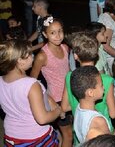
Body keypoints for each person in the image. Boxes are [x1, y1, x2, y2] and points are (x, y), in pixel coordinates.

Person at [0, 39, 62, 146]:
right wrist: (58, 110)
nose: (32, 57)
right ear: (20, 60)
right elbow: (42, 119)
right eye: (29, 54)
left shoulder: (1, 80)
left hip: (11, 137)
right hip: (35, 138)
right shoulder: (31, 84)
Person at [61, 32, 115, 145]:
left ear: (75, 56)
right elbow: (113, 114)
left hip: (80, 132)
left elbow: (64, 107)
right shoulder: (106, 80)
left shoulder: (70, 76)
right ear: (97, 54)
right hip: (103, 137)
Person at [30, 17, 73, 147]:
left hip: (70, 95)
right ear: (44, 34)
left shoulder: (65, 47)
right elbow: (32, 81)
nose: (58, 36)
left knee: (71, 130)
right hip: (56, 99)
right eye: (52, 32)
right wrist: (48, 99)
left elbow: (68, 71)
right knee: (68, 135)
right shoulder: (42, 56)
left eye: (60, 31)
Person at [71, 66, 111, 143]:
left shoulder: (79, 108)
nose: (103, 88)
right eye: (101, 85)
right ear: (90, 93)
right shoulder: (98, 121)